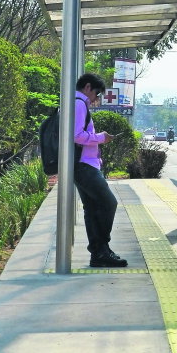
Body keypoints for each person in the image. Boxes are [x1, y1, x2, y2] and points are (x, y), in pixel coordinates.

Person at [73, 73, 128, 268]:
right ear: (88, 87)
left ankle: (99, 254)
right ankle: (101, 248)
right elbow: (77, 136)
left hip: (82, 163)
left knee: (92, 208)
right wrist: (100, 137)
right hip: (83, 165)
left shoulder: (75, 103)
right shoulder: (79, 103)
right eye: (96, 94)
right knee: (108, 203)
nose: (96, 99)